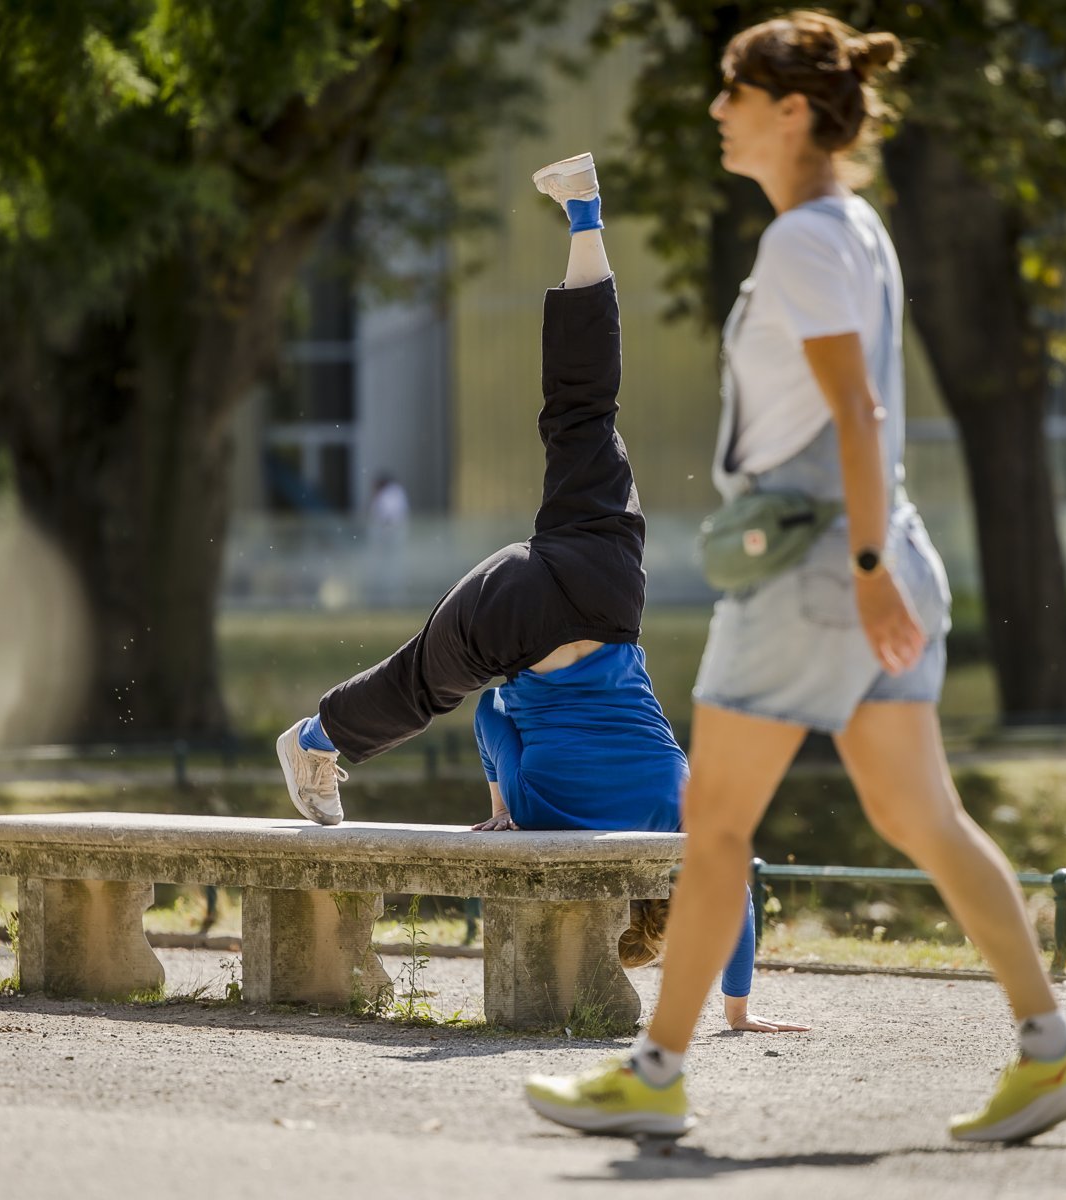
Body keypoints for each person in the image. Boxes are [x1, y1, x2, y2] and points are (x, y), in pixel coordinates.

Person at [523, 12, 1066, 1143]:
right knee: (923, 815)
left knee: (712, 822)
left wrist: (859, 570)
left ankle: (653, 1072)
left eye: (731, 93)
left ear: (789, 110)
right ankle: (1051, 1050)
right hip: (864, 560)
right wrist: (878, 566)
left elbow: (857, 410)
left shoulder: (804, 238)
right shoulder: (851, 228)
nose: (714, 111)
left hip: (812, 573)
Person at [272, 155, 792, 1033]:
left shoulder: (676, 799)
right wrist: (502, 811)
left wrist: (741, 1007)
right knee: (420, 684)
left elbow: (731, 879)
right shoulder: (545, 815)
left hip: (600, 584)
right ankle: (319, 738)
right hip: (512, 607)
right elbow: (491, 722)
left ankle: (584, 213)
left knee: (583, 409)